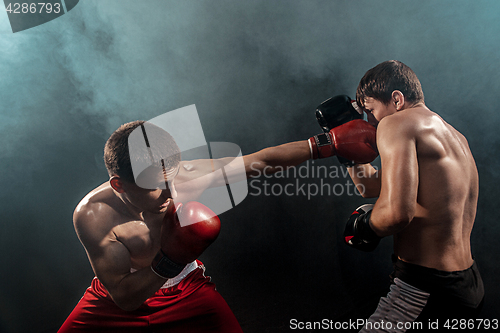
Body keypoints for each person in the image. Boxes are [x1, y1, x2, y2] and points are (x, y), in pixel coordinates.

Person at [59, 110, 378, 332]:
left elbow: (260, 162)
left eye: (173, 178)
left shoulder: (183, 177)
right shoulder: (93, 215)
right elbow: (125, 298)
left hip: (185, 291)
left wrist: (327, 144)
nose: (171, 193)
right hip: (116, 302)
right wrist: (170, 258)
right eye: (157, 185)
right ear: (119, 185)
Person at [343, 60, 484, 331]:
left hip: (426, 287)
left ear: (396, 98)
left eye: (371, 110)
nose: (370, 122)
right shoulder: (454, 136)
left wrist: (363, 227)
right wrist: (347, 147)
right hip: (468, 285)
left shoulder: (397, 124)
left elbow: (398, 214)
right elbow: (372, 186)